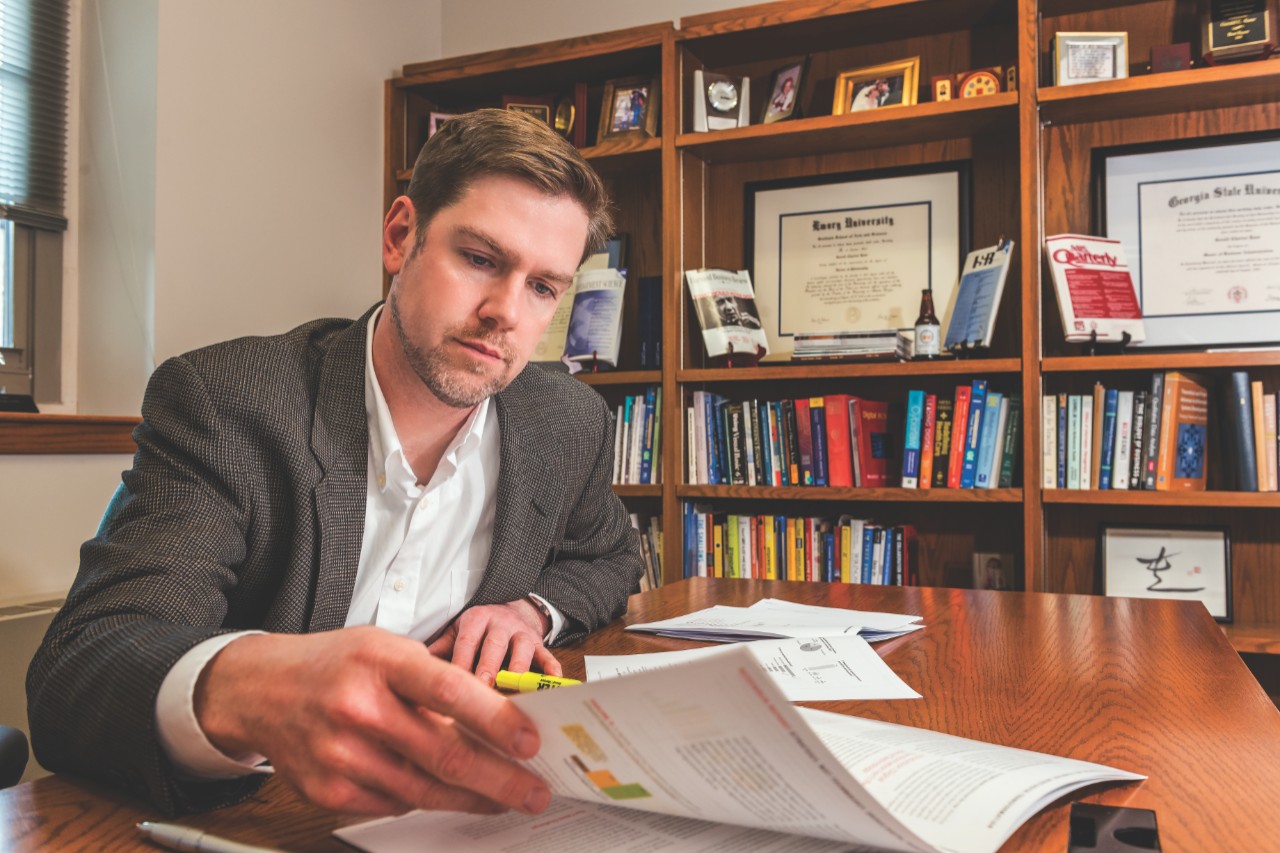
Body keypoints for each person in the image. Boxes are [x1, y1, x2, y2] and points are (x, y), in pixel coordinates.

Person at [26, 109, 644, 819]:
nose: (506, 311)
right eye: (479, 258)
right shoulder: (229, 403)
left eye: (543, 287)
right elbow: (78, 672)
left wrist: (529, 610)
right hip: (261, 818)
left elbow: (610, 560)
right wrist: (245, 687)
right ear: (399, 235)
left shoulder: (567, 421)